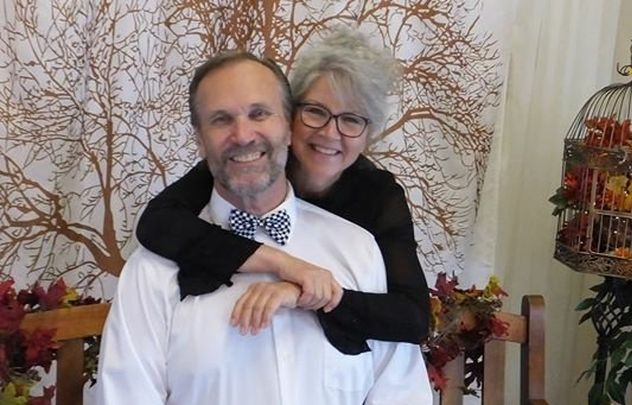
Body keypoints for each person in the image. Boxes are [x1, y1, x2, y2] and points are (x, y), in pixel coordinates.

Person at [96, 51, 432, 404]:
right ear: (200, 139)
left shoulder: (361, 247)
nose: (243, 135)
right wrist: (285, 264)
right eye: (221, 119)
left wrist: (314, 295)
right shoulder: (153, 269)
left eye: (259, 114)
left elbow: (402, 390)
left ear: (287, 127)